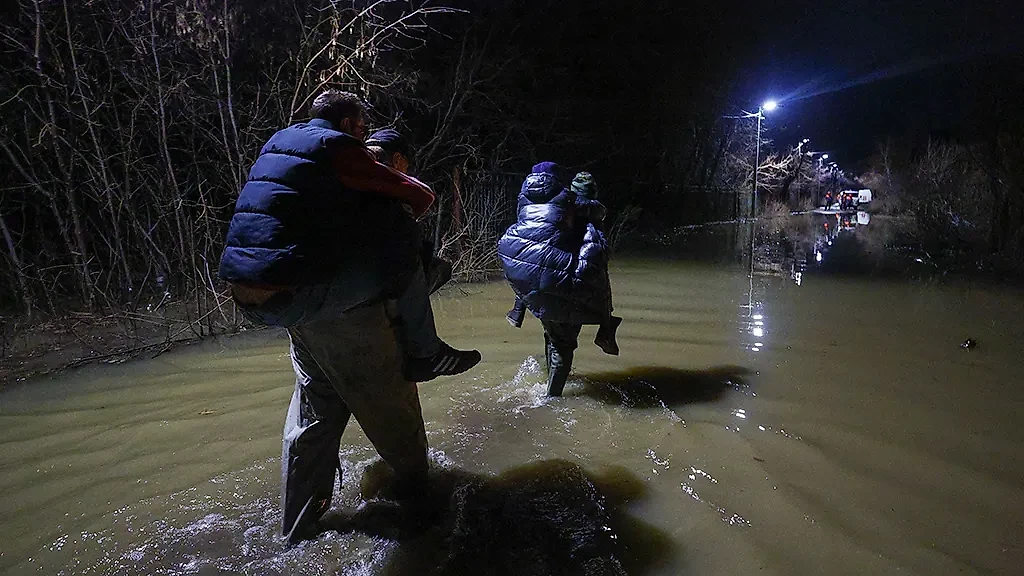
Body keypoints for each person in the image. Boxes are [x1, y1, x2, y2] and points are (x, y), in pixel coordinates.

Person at [218, 90, 477, 542]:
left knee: (314, 419)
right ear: (348, 126)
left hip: (262, 301)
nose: (363, 138)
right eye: (360, 129)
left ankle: (296, 532)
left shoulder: (280, 144)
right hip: (329, 308)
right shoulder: (339, 152)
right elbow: (417, 197)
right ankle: (427, 523)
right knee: (397, 426)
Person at [497, 163, 622, 397]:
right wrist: (604, 315)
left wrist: (519, 305)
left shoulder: (527, 201)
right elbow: (596, 262)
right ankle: (551, 401)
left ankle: (548, 379)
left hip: (533, 284)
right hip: (563, 284)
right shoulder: (576, 210)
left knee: (552, 335)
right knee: (563, 346)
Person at [366, 128, 452, 293]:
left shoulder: (344, 177)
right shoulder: (396, 195)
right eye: (406, 165)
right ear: (397, 160)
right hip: (370, 278)